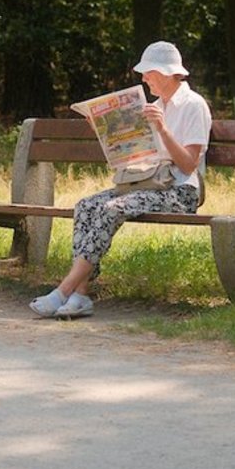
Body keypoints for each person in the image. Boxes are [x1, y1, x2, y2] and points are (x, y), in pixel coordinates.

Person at [30, 41, 212, 319]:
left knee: (111, 209)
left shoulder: (193, 105)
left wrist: (162, 129)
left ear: (164, 72)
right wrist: (108, 131)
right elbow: (137, 155)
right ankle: (81, 296)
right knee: (85, 206)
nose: (143, 78)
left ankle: (64, 291)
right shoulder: (153, 105)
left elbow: (188, 164)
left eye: (147, 72)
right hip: (148, 185)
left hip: (180, 192)